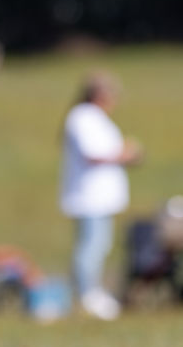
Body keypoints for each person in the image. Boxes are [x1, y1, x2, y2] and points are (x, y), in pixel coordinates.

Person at [59, 72, 142, 320]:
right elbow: (93, 153)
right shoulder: (82, 117)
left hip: (101, 197)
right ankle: (86, 294)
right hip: (89, 196)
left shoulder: (94, 118)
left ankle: (92, 291)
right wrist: (125, 154)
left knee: (99, 245)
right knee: (90, 247)